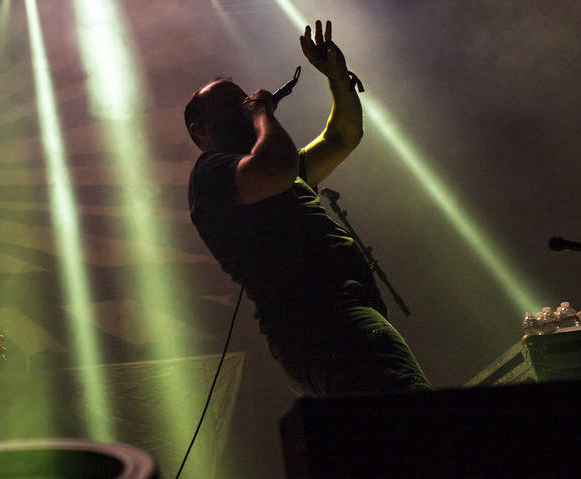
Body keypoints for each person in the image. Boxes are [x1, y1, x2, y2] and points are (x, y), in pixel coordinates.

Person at [184, 20, 430, 397]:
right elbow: (274, 168)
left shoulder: (275, 168)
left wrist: (337, 79)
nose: (243, 102)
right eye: (228, 102)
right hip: (328, 323)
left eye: (242, 96)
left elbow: (343, 136)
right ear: (200, 130)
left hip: (333, 325)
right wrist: (263, 113)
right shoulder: (211, 171)